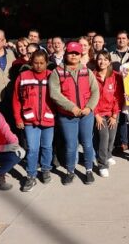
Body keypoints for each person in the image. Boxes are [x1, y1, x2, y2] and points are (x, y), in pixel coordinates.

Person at [49, 42, 100, 185]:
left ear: (80, 55)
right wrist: (72, 107)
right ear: (66, 54)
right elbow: (54, 93)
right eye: (71, 53)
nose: (74, 55)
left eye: (76, 53)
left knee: (87, 144)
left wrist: (89, 108)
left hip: (86, 115)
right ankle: (70, 172)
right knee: (71, 145)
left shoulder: (86, 71)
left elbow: (95, 91)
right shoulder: (57, 72)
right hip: (67, 116)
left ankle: (88, 170)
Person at [13, 50, 55, 192]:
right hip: (29, 120)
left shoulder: (52, 76)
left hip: (48, 119)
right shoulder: (23, 77)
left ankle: (45, 169)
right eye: (35, 63)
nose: (38, 66)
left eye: (41, 63)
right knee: (32, 149)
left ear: (46, 63)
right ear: (31, 62)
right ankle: (31, 176)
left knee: (47, 147)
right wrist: (18, 118)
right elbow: (16, 100)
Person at [93, 51, 124, 177]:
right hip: (99, 113)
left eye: (105, 59)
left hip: (112, 112)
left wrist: (114, 115)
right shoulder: (92, 76)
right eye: (100, 59)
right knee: (104, 137)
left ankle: (108, 154)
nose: (102, 62)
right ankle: (102, 164)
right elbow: (89, 97)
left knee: (112, 137)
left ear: (109, 62)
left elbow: (118, 97)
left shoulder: (115, 76)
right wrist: (96, 115)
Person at [110, 31, 129, 152]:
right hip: (115, 89)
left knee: (127, 117)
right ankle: (117, 142)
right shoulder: (111, 54)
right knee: (117, 115)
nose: (121, 40)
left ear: (128, 40)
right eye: (119, 38)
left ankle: (125, 142)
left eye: (124, 38)